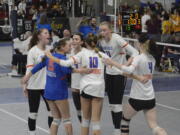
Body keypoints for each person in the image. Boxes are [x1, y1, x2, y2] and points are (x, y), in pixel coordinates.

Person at [44, 34, 144, 135]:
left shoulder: (82, 54)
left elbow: (65, 64)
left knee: (85, 121)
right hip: (98, 90)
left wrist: (51, 56)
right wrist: (136, 77)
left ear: (85, 43)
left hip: (86, 89)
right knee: (96, 123)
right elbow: (118, 70)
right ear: (96, 43)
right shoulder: (102, 55)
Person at [22, 38, 92, 135]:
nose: (71, 47)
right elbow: (66, 70)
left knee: (56, 119)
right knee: (67, 120)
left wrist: (27, 77)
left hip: (48, 92)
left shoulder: (49, 57)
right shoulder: (61, 59)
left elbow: (36, 67)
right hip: (59, 93)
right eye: (69, 45)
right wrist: (81, 70)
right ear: (62, 47)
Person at [103, 34, 168, 135]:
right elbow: (128, 73)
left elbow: (128, 70)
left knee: (124, 121)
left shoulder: (139, 57)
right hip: (150, 98)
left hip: (137, 98)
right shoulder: (152, 59)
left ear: (140, 44)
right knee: (154, 126)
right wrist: (113, 66)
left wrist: (112, 62)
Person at [98, 22, 139, 135]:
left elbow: (135, 52)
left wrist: (126, 66)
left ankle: (118, 130)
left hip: (119, 74)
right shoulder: (100, 40)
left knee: (117, 103)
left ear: (110, 30)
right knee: (112, 104)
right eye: (101, 30)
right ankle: (116, 129)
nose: (103, 32)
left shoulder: (117, 39)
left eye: (105, 30)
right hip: (109, 73)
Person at [23, 28, 53, 135]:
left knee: (52, 112)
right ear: (39, 36)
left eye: (48, 33)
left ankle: (52, 132)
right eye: (45, 33)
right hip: (34, 86)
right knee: (33, 113)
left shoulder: (50, 49)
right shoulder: (33, 51)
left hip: (48, 86)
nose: (48, 35)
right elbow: (29, 69)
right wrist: (25, 85)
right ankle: (32, 133)